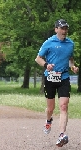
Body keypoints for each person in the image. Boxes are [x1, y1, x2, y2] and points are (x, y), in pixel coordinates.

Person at [35, 19, 79, 147]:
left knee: (64, 106)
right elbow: (38, 58)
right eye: (62, 28)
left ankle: (61, 135)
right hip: (50, 78)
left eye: (66, 29)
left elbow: (70, 59)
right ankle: (48, 120)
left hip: (64, 78)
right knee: (50, 108)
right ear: (56, 29)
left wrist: (73, 67)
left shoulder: (70, 44)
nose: (64, 31)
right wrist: (46, 65)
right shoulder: (49, 42)